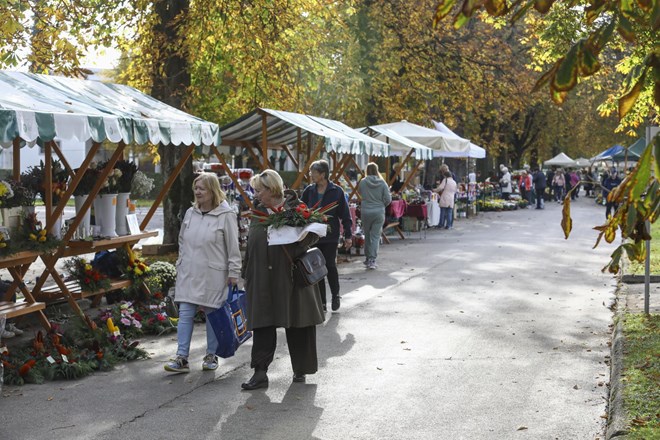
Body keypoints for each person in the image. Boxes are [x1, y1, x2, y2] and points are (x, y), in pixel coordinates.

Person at [241, 170, 325, 390]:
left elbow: (315, 233)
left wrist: (298, 242)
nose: (256, 195)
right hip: (261, 277)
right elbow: (250, 245)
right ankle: (260, 373)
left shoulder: (296, 209)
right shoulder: (258, 212)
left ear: (272, 189)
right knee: (262, 324)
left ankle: (301, 370)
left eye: (259, 190)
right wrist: (246, 272)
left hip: (290, 276)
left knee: (298, 322)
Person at [164, 172, 242, 373]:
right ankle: (182, 357)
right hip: (189, 271)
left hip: (214, 274)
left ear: (213, 191)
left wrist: (234, 272)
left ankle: (211, 354)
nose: (198, 192)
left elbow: (233, 247)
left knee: (212, 313)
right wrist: (181, 263)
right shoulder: (191, 213)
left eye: (202, 188)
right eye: (196, 188)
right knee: (185, 313)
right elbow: (182, 240)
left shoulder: (226, 215)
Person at [301, 160, 353, 312]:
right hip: (313, 236)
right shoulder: (309, 191)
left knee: (329, 265)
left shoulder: (336, 191)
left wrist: (348, 235)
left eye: (313, 173)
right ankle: (321, 302)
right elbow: (301, 209)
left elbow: (345, 215)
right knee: (317, 268)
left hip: (330, 235)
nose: (311, 175)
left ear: (322, 174)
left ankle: (335, 295)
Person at [357, 162, 392, 270]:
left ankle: (367, 258)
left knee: (367, 235)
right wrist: (381, 205)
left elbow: (360, 193)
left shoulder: (362, 182)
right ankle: (372, 259)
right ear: (377, 171)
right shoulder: (382, 183)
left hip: (366, 211)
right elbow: (388, 199)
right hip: (378, 212)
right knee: (376, 236)